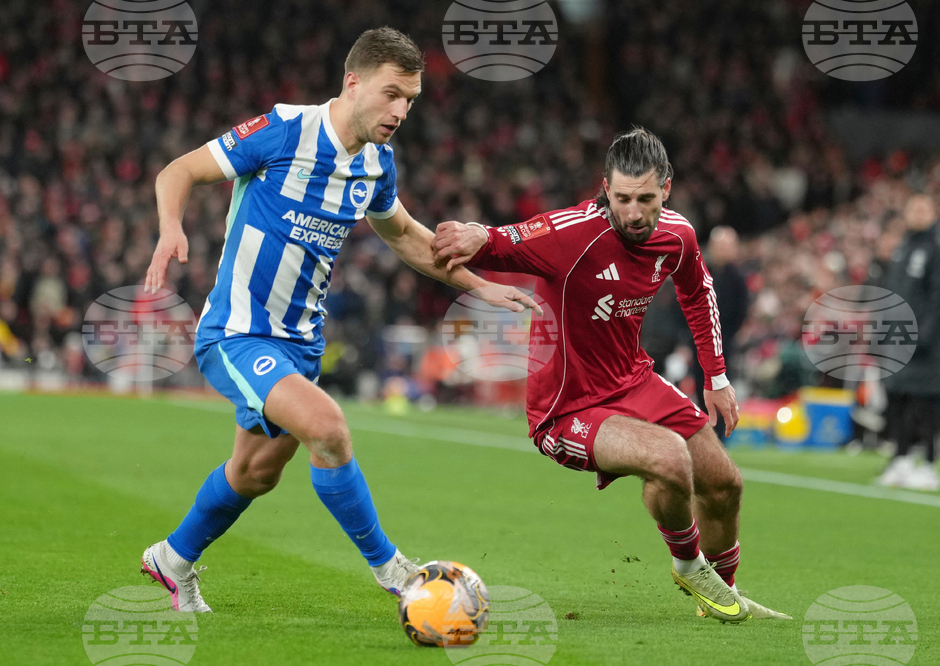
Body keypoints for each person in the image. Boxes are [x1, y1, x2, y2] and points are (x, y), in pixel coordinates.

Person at [140, 27, 540, 613]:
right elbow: (177, 171)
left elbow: (404, 235)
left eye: (410, 100)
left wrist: (480, 285)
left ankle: (171, 560)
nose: (400, 110)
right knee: (327, 428)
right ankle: (395, 571)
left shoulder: (377, 164)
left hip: (300, 343)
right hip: (238, 331)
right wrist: (171, 227)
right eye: (391, 94)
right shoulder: (283, 130)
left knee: (253, 473)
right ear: (353, 82)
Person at [432, 128, 789, 623]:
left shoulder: (678, 235)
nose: (634, 212)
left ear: (666, 188)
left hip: (633, 381)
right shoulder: (571, 233)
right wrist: (475, 233)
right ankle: (688, 565)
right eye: (622, 199)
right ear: (606, 188)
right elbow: (501, 240)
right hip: (567, 408)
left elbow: (698, 293)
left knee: (725, 482)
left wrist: (717, 377)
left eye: (645, 198)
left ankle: (722, 593)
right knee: (668, 458)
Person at [876, 194, 940, 491]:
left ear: (934, 212)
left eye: (924, 208)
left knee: (926, 400)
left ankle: (931, 465)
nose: (918, 213)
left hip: (924, 341)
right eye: (913, 208)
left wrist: (925, 334)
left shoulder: (939, 249)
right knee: (897, 398)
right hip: (898, 337)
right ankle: (901, 459)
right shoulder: (902, 247)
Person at [690, 226, 749, 439]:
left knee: (722, 390)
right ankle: (705, 435)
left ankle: (721, 438)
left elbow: (740, 314)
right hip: (697, 345)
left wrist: (723, 338)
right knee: (700, 390)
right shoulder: (701, 271)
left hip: (723, 347)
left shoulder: (737, 279)